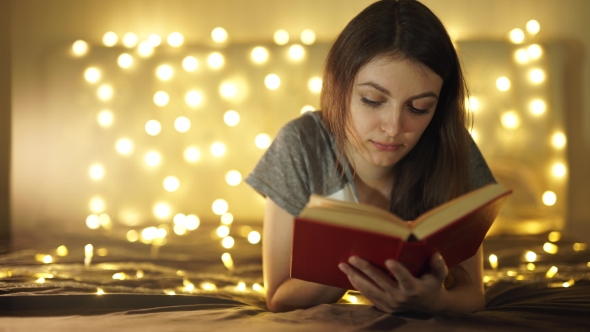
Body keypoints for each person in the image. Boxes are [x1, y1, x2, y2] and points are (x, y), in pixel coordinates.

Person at [245, 0, 496, 314]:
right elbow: (279, 297)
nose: (393, 128)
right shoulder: (300, 145)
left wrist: (436, 301)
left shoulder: (451, 145)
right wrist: (362, 259)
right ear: (339, 88)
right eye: (372, 100)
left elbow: (473, 292)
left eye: (419, 108)